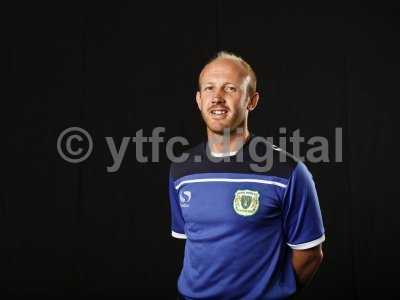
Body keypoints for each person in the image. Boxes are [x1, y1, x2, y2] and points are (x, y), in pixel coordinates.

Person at [168, 51, 325, 299]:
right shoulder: (182, 169)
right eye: (209, 88)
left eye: (230, 88)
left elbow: (309, 255)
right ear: (198, 99)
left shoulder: (287, 171)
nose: (217, 98)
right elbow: (195, 243)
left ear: (252, 100)